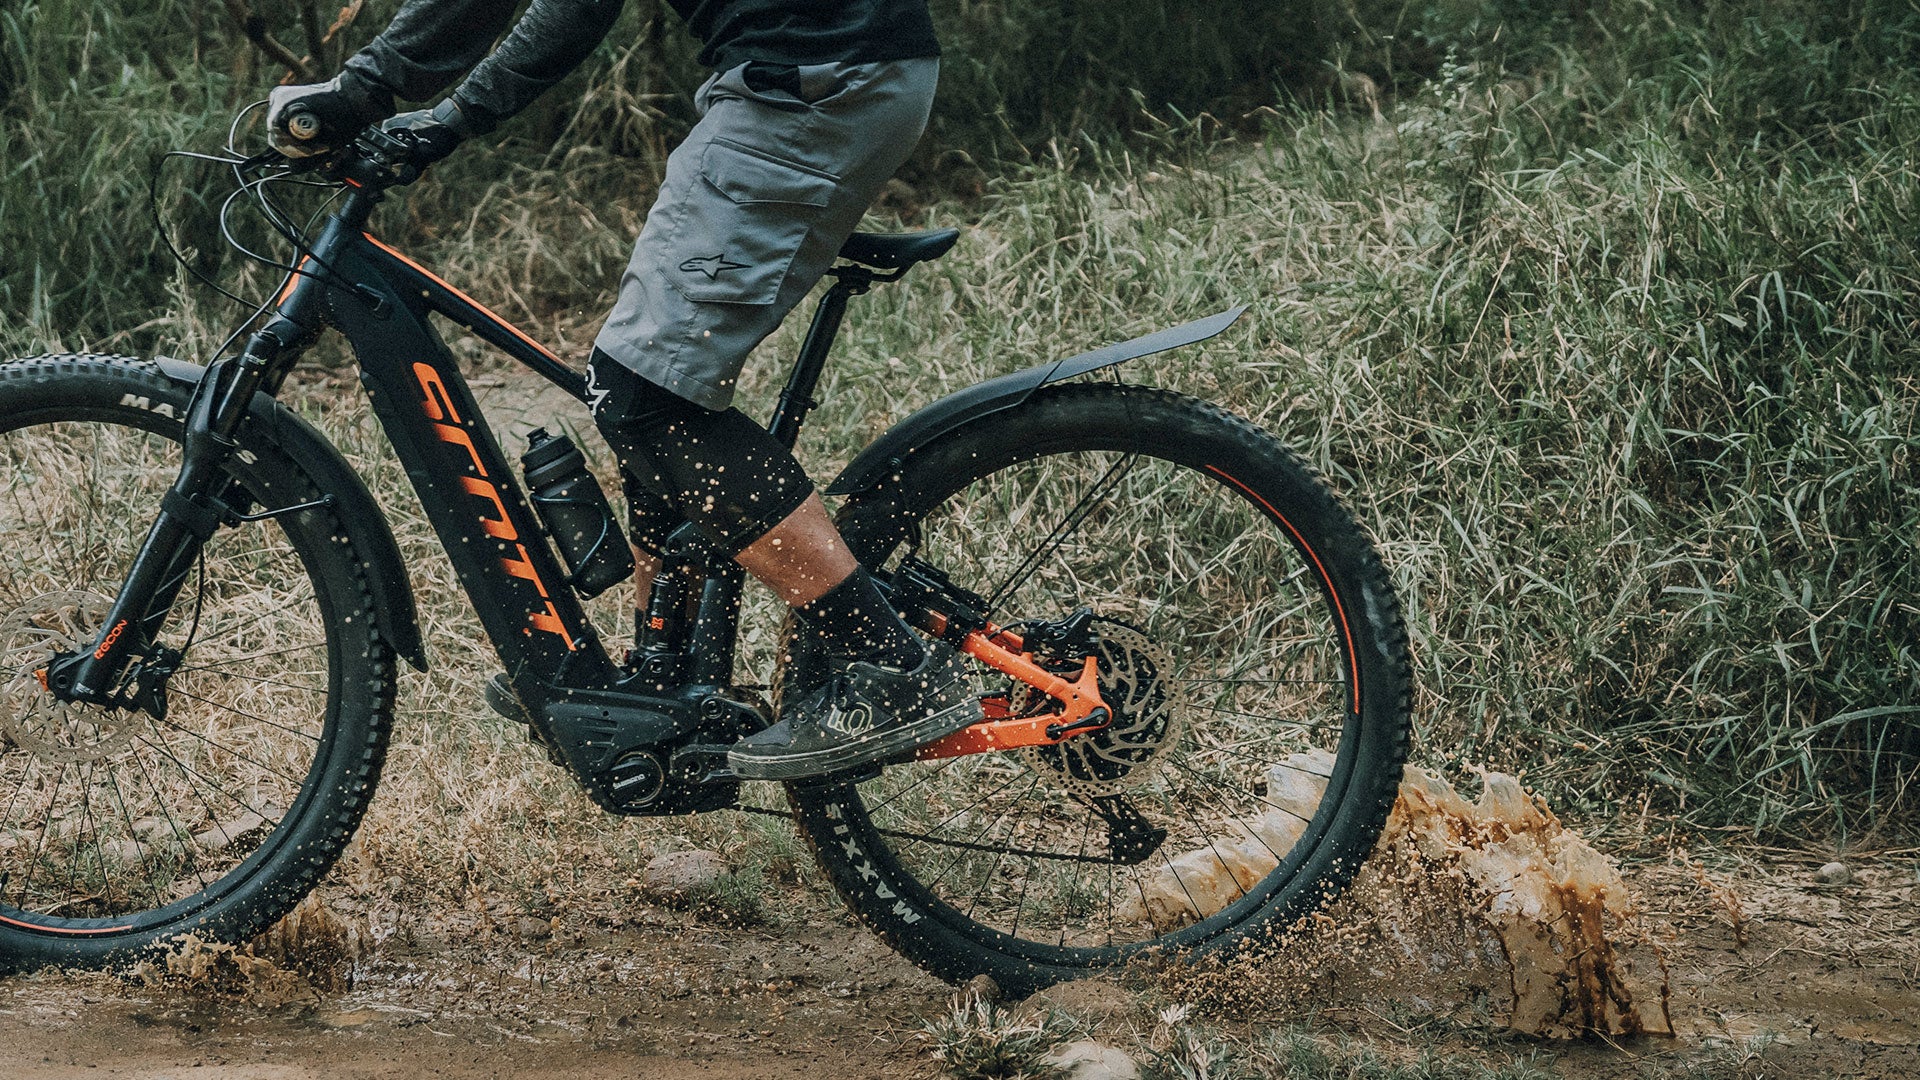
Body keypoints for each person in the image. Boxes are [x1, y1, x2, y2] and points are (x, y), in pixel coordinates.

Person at [265, 0, 979, 780]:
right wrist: (383, 95)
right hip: (817, 73)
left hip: (816, 81)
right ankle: (666, 679)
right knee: (644, 373)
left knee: (646, 395)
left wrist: (408, 104)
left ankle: (895, 668)